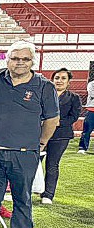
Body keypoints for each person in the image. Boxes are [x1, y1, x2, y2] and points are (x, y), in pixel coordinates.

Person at [0, 40, 59, 228]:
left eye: (25, 59)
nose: (20, 63)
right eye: (15, 58)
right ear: (7, 60)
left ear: (33, 61)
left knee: (22, 198)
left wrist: (42, 142)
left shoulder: (44, 86)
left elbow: (52, 120)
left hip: (25, 153)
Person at [41, 68, 81, 204]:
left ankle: (48, 194)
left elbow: (74, 117)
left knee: (52, 164)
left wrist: (57, 122)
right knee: (33, 163)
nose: (59, 81)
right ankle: (29, 190)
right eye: (57, 78)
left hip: (61, 136)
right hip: (40, 134)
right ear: (52, 80)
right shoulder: (44, 94)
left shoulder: (74, 98)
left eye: (63, 78)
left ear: (69, 81)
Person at [77, 78, 94, 154]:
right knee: (87, 130)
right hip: (92, 110)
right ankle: (82, 148)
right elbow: (93, 94)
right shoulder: (91, 84)